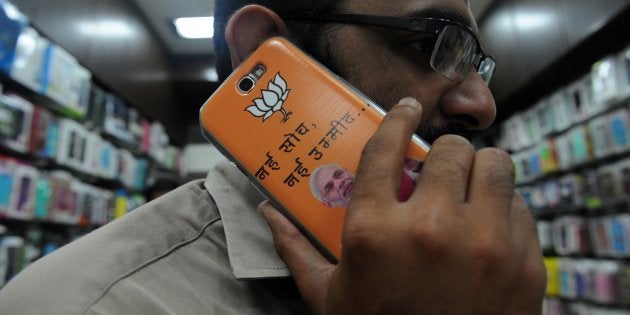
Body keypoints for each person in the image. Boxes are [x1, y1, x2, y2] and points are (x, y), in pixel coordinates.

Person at [0, 0, 546, 314]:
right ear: (262, 46)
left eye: (477, 63)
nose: (482, 104)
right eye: (438, 43)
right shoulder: (87, 305)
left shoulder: (487, 268)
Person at [310, 158, 422, 207]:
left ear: (347, 171)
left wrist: (416, 167)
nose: (340, 182)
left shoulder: (392, 170)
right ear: (328, 203)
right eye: (330, 188)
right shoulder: (356, 239)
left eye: (339, 174)